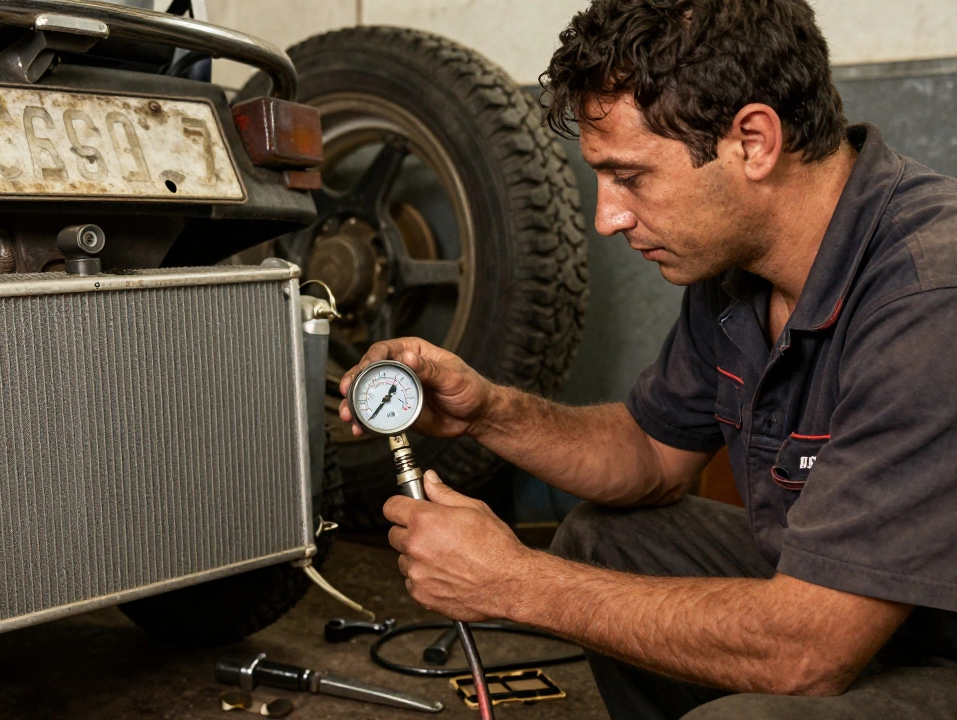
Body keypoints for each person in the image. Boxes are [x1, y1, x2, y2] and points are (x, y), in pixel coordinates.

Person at [337, 1, 957, 718]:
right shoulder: (737, 269)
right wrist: (487, 411)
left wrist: (513, 582)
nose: (608, 218)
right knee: (606, 538)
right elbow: (650, 456)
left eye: (630, 177)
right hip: (854, 610)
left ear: (754, 142)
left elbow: (808, 650)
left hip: (931, 646)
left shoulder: (929, 294)